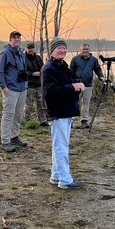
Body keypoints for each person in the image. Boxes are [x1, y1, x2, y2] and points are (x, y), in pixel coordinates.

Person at [42, 37, 85, 190]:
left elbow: (67, 82)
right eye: (59, 48)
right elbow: (51, 92)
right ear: (52, 50)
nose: (62, 50)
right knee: (61, 146)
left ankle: (56, 175)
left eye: (64, 48)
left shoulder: (61, 65)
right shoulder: (49, 68)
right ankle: (65, 180)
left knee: (58, 145)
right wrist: (73, 87)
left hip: (65, 111)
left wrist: (78, 85)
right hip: (58, 113)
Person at [0, 30, 28, 152]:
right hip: (10, 89)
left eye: (19, 38)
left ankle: (14, 136)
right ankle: (5, 141)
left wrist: (26, 84)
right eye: (15, 38)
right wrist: (3, 87)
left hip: (22, 88)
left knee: (19, 114)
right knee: (8, 115)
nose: (17, 40)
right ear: (10, 39)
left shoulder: (22, 53)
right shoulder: (5, 54)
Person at [69, 43, 104, 129]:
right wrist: (71, 83)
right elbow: (70, 72)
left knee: (86, 104)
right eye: (83, 49)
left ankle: (84, 121)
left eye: (87, 49)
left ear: (89, 50)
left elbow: (97, 70)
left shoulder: (94, 60)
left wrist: (101, 77)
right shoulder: (75, 59)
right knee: (74, 103)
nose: (85, 51)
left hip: (88, 85)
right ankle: (71, 121)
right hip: (76, 85)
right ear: (80, 50)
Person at [24, 42, 47, 126]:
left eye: (32, 48)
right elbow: (22, 72)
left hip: (39, 85)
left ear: (34, 49)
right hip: (29, 85)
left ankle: (42, 120)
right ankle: (28, 121)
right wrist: (32, 74)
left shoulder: (38, 58)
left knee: (41, 104)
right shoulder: (23, 59)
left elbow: (43, 68)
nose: (30, 49)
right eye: (29, 48)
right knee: (29, 105)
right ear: (26, 49)